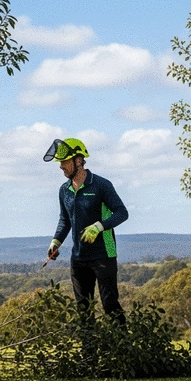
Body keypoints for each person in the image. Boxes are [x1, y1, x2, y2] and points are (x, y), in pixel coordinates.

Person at [43, 138, 129, 324]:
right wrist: (56, 241)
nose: (61, 166)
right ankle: (89, 352)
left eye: (64, 161)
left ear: (79, 160)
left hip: (104, 255)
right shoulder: (64, 190)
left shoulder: (101, 185)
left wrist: (99, 226)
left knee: (110, 305)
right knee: (83, 310)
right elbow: (65, 219)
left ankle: (123, 350)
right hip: (79, 258)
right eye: (60, 162)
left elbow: (122, 213)